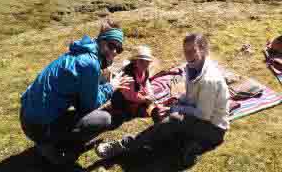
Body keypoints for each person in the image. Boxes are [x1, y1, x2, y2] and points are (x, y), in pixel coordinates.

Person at [96, 33, 230, 165]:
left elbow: (204, 115)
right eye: (185, 51)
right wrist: (174, 104)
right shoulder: (192, 67)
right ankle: (186, 145)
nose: (188, 55)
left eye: (192, 50)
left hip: (213, 129)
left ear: (204, 50)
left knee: (173, 120)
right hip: (198, 119)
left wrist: (177, 108)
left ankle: (123, 145)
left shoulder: (209, 80)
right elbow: (191, 98)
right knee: (164, 116)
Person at [20, 20, 133, 165]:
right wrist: (111, 87)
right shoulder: (90, 64)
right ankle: (50, 146)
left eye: (119, 48)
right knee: (104, 119)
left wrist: (104, 81)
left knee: (98, 87)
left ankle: (49, 140)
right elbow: (88, 106)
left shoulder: (81, 51)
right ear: (101, 41)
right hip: (38, 127)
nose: (115, 52)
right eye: (111, 45)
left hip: (28, 115)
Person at [111, 45, 155, 119]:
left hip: (134, 93)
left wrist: (150, 94)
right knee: (134, 109)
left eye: (147, 61)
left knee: (148, 101)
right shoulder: (128, 75)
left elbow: (146, 82)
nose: (145, 64)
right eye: (141, 61)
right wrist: (144, 99)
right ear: (135, 62)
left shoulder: (144, 71)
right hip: (123, 99)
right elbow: (129, 95)